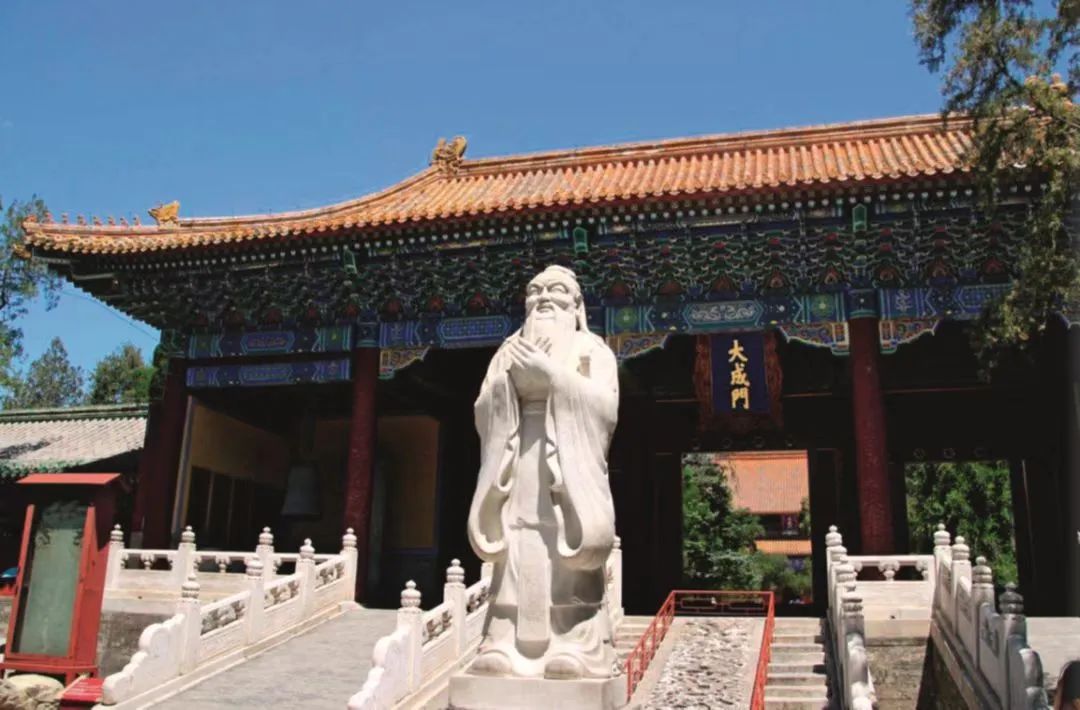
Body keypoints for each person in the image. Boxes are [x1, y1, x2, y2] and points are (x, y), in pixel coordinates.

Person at [466, 265, 619, 680]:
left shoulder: (593, 350)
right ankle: (502, 640)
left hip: (568, 464)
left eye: (556, 290)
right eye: (534, 292)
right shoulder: (507, 351)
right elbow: (482, 409)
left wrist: (552, 377)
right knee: (515, 542)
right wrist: (509, 388)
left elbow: (606, 411)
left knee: (565, 548)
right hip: (517, 460)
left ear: (577, 304)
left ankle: (575, 643)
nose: (544, 298)